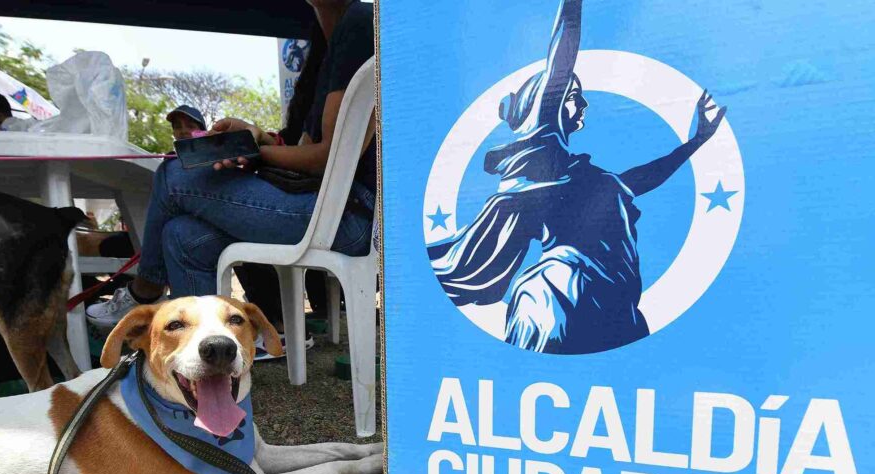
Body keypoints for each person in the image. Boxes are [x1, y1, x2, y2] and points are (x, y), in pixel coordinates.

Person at [428, 0, 726, 354]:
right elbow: (562, 52)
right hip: (563, 293)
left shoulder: (587, 176)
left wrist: (695, 142)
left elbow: (640, 179)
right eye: (572, 97)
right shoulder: (542, 149)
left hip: (616, 303)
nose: (582, 105)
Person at [87, 0, 375, 353]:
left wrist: (256, 152)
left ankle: (143, 293)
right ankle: (201, 361)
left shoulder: (359, 23)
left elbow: (328, 156)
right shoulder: (326, 44)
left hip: (349, 214)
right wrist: (255, 136)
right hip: (320, 203)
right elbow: (308, 147)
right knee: (182, 236)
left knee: (174, 174)